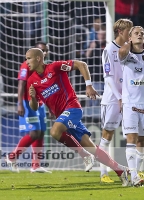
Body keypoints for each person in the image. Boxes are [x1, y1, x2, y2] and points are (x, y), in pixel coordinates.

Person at [26, 48, 129, 186]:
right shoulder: (31, 81)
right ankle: (121, 171)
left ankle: (85, 156)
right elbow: (34, 106)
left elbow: (81, 64)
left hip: (72, 108)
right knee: (94, 149)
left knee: (55, 131)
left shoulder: (55, 67)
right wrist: (32, 98)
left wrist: (89, 86)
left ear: (38, 58)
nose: (26, 62)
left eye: (29, 58)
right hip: (63, 117)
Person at [118, 26, 144, 186]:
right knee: (132, 137)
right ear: (129, 37)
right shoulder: (126, 56)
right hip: (130, 102)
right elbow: (121, 53)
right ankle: (134, 176)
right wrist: (130, 42)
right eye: (136, 33)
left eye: (142, 33)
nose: (140, 35)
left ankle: (135, 170)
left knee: (142, 140)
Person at [5, 42, 51, 173]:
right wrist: (20, 103)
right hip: (27, 102)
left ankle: (35, 165)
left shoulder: (44, 67)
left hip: (39, 104)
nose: (45, 53)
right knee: (34, 133)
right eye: (42, 50)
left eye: (46, 51)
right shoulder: (27, 65)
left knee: (41, 132)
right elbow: (21, 84)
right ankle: (12, 157)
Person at [99, 19, 133, 183]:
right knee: (107, 136)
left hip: (129, 98)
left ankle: (134, 172)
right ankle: (103, 173)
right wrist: (119, 98)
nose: (131, 34)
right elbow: (109, 78)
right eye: (129, 30)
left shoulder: (130, 50)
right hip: (112, 100)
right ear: (120, 31)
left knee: (134, 135)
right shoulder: (109, 49)